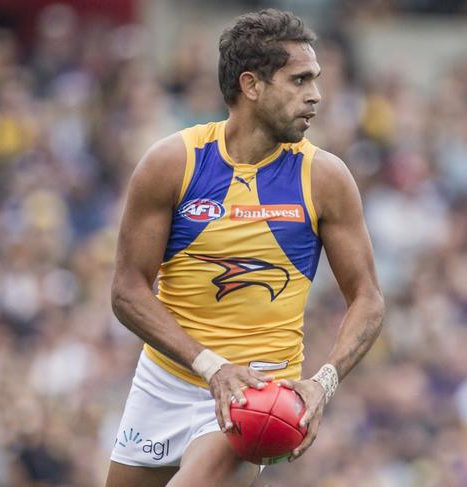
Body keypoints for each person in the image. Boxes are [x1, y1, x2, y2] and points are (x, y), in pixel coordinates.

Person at [106, 8, 384, 487]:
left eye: (315, 80)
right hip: (166, 382)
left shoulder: (324, 178)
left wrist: (323, 383)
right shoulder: (175, 163)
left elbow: (368, 299)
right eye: (299, 81)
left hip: (257, 398)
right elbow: (127, 292)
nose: (316, 95)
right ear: (251, 85)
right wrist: (210, 367)